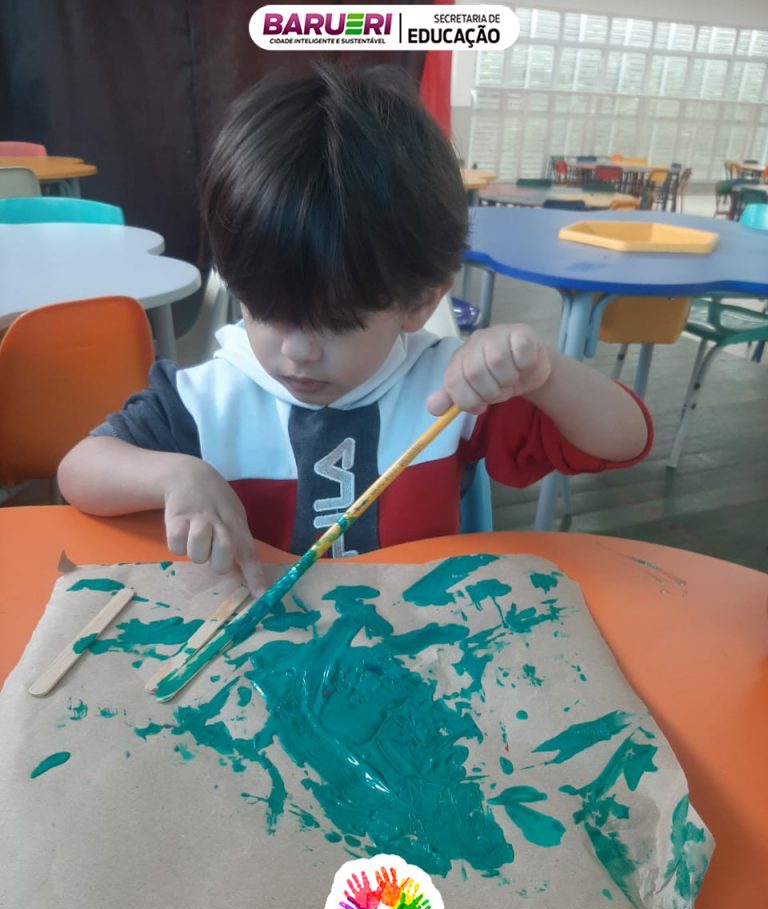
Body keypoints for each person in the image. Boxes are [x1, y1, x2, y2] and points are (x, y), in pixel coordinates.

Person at [58, 64, 652, 597]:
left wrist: (543, 374)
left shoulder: (452, 394)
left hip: (416, 653)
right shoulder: (204, 402)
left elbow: (623, 441)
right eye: (265, 309)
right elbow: (77, 471)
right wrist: (175, 474)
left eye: (337, 322)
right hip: (252, 656)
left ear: (419, 301)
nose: (296, 351)